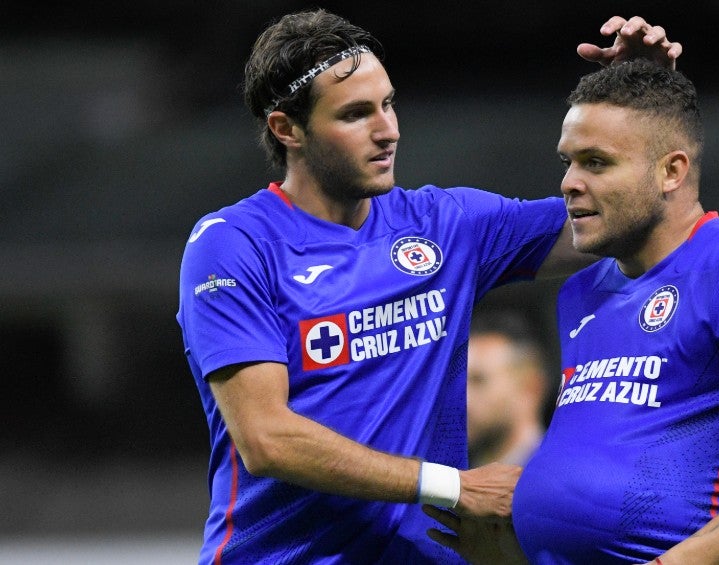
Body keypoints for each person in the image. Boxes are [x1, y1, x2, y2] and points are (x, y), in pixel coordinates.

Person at [176, 8, 682, 564]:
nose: (387, 129)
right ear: (287, 129)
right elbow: (266, 439)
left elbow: (621, 222)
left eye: (388, 104)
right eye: (355, 114)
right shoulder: (234, 244)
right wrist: (455, 486)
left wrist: (640, 107)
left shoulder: (445, 226)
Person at [427, 62, 719, 564]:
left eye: (596, 162)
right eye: (568, 162)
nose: (569, 183)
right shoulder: (580, 293)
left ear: (672, 171)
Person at [467, 310, 551, 468]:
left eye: (479, 380)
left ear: (530, 388)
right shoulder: (456, 480)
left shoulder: (563, 480)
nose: (464, 399)